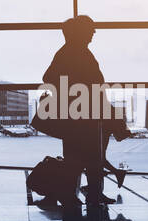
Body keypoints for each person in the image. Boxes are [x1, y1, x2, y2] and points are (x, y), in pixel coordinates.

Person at [39, 15, 122, 210]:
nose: (94, 32)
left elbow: (49, 77)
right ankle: (87, 195)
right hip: (83, 114)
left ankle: (78, 195)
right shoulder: (78, 53)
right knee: (89, 157)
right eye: (90, 29)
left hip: (79, 114)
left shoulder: (70, 52)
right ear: (80, 32)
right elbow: (96, 86)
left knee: (79, 157)